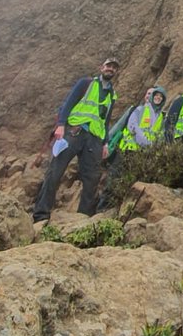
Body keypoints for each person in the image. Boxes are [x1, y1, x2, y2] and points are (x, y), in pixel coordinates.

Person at [32, 57, 120, 222]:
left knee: (92, 179)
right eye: (109, 66)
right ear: (102, 68)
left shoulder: (112, 96)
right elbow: (69, 103)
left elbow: (106, 120)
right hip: (74, 132)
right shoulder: (86, 83)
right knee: (55, 172)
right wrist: (60, 124)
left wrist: (105, 142)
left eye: (114, 68)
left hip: (94, 139)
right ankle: (41, 215)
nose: (111, 69)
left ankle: (83, 219)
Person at [118, 85, 167, 151]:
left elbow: (160, 135)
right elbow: (132, 125)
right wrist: (144, 141)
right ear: (153, 96)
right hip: (131, 149)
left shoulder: (161, 116)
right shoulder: (140, 109)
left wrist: (154, 147)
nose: (158, 97)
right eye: (157, 95)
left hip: (146, 152)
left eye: (161, 96)